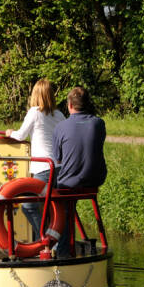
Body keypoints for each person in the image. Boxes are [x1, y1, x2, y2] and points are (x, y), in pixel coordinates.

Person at [5, 79, 65, 240]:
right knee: (56, 209)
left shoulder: (35, 112)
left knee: (29, 206)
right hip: (60, 168)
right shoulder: (59, 115)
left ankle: (44, 240)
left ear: (35, 95)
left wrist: (10, 133)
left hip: (43, 168)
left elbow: (21, 135)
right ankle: (59, 245)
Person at [52, 86, 107, 257]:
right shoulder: (99, 123)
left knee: (57, 202)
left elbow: (58, 158)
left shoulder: (60, 127)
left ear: (69, 105)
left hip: (69, 183)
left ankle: (62, 251)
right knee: (70, 196)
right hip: (95, 178)